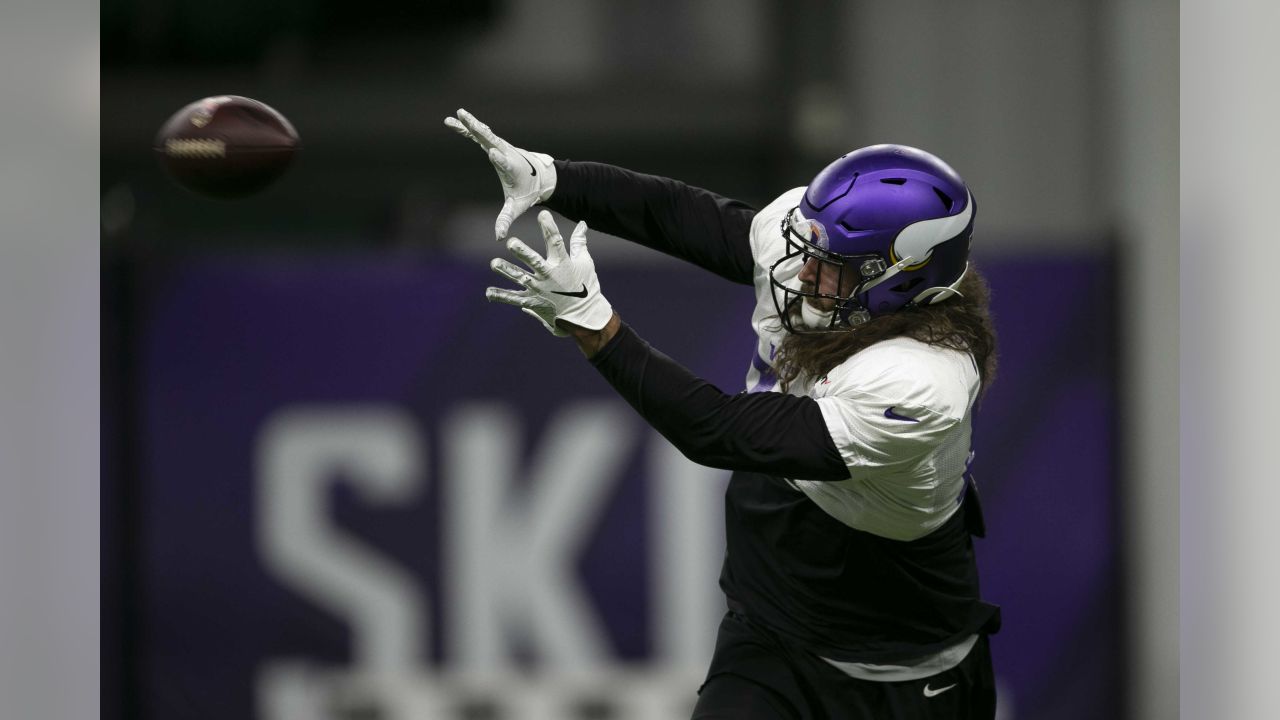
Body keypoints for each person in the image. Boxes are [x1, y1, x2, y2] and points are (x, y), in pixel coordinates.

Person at [446, 109, 1001, 719]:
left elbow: (722, 432)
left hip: (906, 665)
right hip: (772, 628)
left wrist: (597, 328)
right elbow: (686, 216)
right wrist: (553, 178)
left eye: (830, 266)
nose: (802, 270)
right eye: (808, 245)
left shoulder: (922, 381)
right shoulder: (821, 258)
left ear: (894, 283)